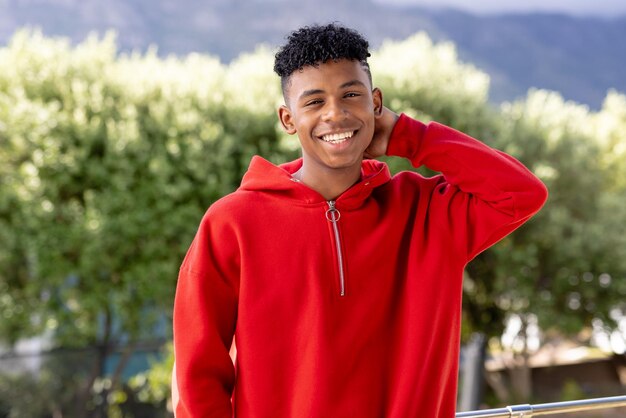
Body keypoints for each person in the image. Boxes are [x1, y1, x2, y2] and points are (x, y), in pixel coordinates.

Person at [172, 23, 548, 417]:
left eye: (351, 95)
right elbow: (199, 374)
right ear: (287, 119)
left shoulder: (427, 212)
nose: (336, 114)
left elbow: (521, 193)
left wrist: (411, 137)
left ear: (376, 103)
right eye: (314, 102)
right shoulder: (232, 223)